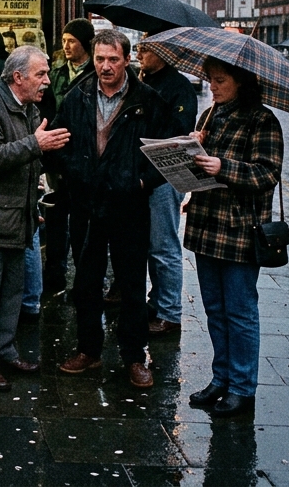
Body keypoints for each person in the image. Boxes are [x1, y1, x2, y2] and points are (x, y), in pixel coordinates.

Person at [52, 29, 171, 389]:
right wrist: (74, 173)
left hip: (129, 206)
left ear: (127, 60)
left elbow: (164, 155)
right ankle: (88, 350)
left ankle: (135, 357)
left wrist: (139, 182)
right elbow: (59, 140)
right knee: (86, 281)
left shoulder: (147, 100)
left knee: (132, 284)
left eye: (113, 60)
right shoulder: (78, 96)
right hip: (87, 203)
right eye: (100, 59)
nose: (105, 66)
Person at [0, 47, 70, 390]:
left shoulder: (29, 108)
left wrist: (36, 199)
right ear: (17, 77)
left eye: (47, 74)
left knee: (11, 293)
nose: (47, 81)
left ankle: (5, 349)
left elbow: (30, 159)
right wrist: (36, 145)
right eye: (41, 74)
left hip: (17, 217)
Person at [183, 57, 283, 418]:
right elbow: (199, 167)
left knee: (240, 312)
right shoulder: (210, 115)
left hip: (239, 228)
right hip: (207, 223)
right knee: (214, 309)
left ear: (241, 82)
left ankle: (242, 387)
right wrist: (192, 150)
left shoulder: (262, 121)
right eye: (210, 79)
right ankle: (220, 378)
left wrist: (223, 166)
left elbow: (266, 174)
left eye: (220, 80)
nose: (213, 86)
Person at [137, 43, 198, 338]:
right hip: (143, 173)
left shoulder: (179, 87)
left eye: (145, 50)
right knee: (149, 244)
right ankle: (156, 301)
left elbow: (178, 131)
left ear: (163, 53)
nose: (139, 55)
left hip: (165, 175)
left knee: (164, 245)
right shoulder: (142, 79)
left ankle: (170, 313)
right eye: (137, 49)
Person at [42, 19, 96, 294]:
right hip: (56, 152)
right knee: (54, 218)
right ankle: (55, 277)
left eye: (71, 41)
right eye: (63, 41)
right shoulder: (57, 71)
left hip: (82, 156)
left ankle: (82, 280)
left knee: (80, 223)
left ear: (85, 44)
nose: (66, 46)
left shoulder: (95, 72)